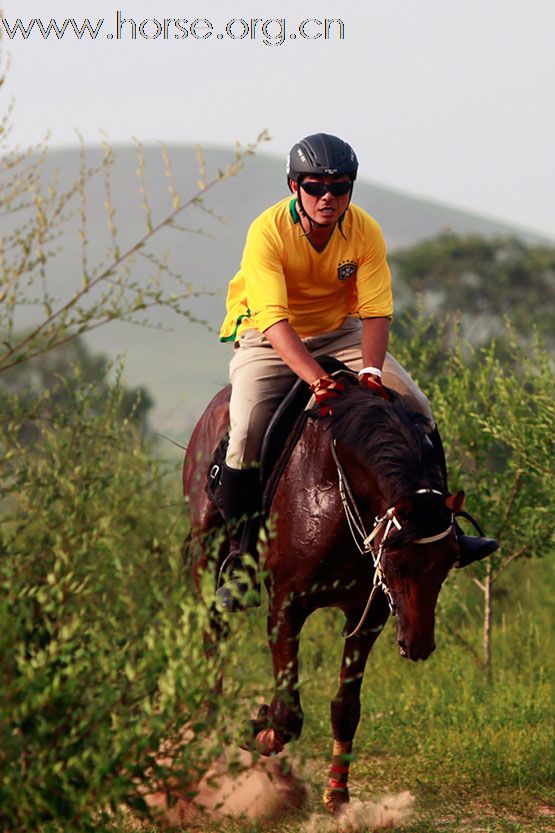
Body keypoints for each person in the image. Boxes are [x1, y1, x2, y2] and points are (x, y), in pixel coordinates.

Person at [216, 133, 498, 612]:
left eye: (340, 186)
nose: (328, 196)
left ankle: (444, 527)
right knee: (244, 432)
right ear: (294, 186)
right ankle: (241, 558)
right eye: (315, 186)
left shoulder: (364, 230)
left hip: (340, 333)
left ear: (350, 189)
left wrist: (369, 370)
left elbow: (375, 313)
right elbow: (274, 320)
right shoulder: (266, 232)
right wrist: (318, 381)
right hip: (270, 337)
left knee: (416, 407)